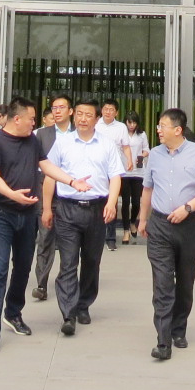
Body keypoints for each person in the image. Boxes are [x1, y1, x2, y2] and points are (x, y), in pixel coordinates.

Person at [0, 97, 94, 353]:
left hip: (27, 213)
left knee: (23, 267)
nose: (35, 123)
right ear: (17, 119)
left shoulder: (32, 141)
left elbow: (46, 165)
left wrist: (72, 181)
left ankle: (13, 313)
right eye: (31, 119)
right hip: (0, 213)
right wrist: (12, 195)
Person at [137, 108, 195, 361]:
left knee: (185, 280)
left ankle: (179, 328)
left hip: (189, 225)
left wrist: (188, 208)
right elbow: (147, 189)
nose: (158, 130)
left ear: (178, 129)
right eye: (158, 126)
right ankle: (163, 341)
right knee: (162, 283)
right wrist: (143, 219)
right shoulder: (155, 155)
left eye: (162, 126)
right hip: (160, 225)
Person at [42, 97, 124, 336]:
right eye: (79, 114)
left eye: (88, 115)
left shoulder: (107, 145)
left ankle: (83, 304)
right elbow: (50, 175)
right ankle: (68, 314)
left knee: (91, 260)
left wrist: (111, 203)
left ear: (97, 119)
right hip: (67, 209)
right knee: (68, 262)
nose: (83, 119)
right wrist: (47, 208)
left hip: (97, 209)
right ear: (73, 115)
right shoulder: (62, 143)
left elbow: (115, 176)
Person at [31, 95, 74, 302]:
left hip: (72, 193)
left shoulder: (79, 133)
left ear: (70, 111)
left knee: (69, 241)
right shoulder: (42, 134)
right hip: (46, 192)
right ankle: (41, 283)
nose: (57, 111)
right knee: (45, 237)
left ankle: (67, 283)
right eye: (54, 108)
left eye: (61, 107)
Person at [96, 100, 132, 250]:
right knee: (97, 201)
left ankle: (110, 238)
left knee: (112, 201)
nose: (108, 111)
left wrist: (129, 160)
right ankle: (97, 235)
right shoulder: (95, 124)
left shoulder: (121, 127)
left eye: (111, 109)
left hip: (114, 169)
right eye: (106, 109)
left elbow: (126, 146)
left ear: (116, 112)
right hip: (97, 168)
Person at [119, 112, 149, 244]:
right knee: (125, 202)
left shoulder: (141, 134)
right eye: (129, 122)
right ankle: (126, 230)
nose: (131, 125)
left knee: (136, 202)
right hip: (124, 171)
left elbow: (147, 149)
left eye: (134, 122)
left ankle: (132, 222)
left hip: (138, 172)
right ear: (125, 122)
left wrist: (142, 155)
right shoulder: (121, 133)